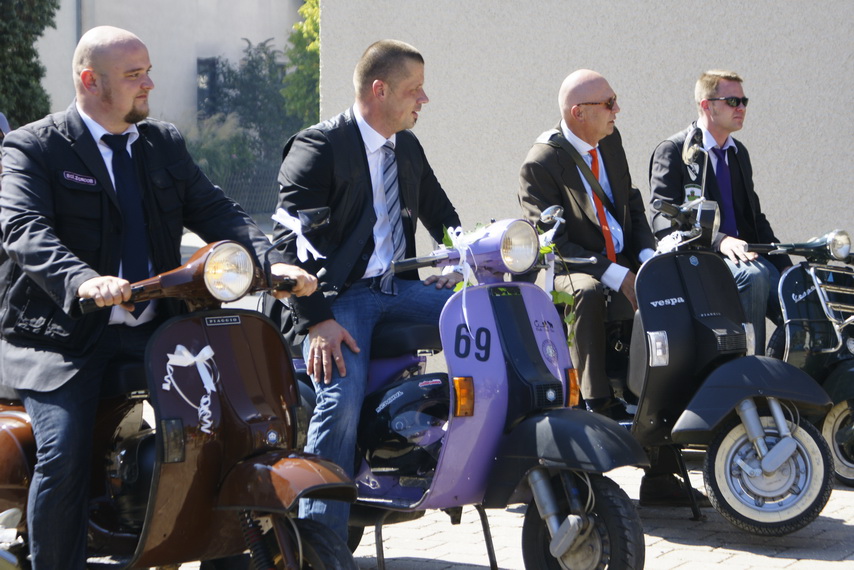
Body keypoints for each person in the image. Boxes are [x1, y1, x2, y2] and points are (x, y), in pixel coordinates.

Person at [0, 26, 316, 569]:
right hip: (60, 339)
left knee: (225, 427)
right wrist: (82, 280)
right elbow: (25, 229)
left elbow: (216, 210)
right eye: (134, 75)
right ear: (90, 81)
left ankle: (224, 552)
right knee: (65, 452)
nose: (149, 83)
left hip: (153, 327)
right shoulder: (35, 146)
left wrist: (269, 262)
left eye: (147, 71)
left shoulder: (160, 143)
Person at [272, 39, 461, 540]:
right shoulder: (318, 148)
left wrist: (458, 260)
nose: (424, 99)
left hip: (399, 290)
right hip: (339, 298)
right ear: (380, 90)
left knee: (483, 315)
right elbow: (286, 247)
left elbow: (442, 215)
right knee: (341, 401)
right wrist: (318, 321)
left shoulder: (408, 146)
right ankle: (321, 541)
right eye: (415, 89)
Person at [518, 69, 709, 507]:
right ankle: (596, 404)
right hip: (574, 267)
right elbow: (552, 242)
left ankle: (661, 474)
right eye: (608, 103)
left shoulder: (610, 140)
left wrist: (646, 257)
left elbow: (632, 204)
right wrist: (615, 274)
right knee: (586, 291)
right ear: (578, 112)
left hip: (623, 260)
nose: (617, 110)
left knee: (673, 289)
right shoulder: (540, 162)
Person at [649, 70, 789, 354]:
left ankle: (787, 371)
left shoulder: (739, 153)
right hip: (701, 261)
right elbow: (662, 219)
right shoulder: (674, 150)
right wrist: (719, 240)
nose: (742, 108)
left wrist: (785, 265)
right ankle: (751, 368)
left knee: (798, 294)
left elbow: (755, 219)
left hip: (747, 256)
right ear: (707, 105)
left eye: (744, 101)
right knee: (754, 276)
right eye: (733, 101)